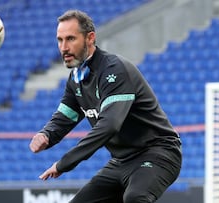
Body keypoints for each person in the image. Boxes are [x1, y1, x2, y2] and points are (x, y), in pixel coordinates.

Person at [29, 9, 182, 203]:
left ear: (90, 38)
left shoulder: (114, 70)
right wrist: (47, 134)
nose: (63, 47)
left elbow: (109, 125)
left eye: (70, 39)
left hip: (158, 153)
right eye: (60, 40)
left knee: (136, 198)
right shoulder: (76, 79)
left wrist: (64, 163)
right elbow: (65, 116)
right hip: (121, 161)